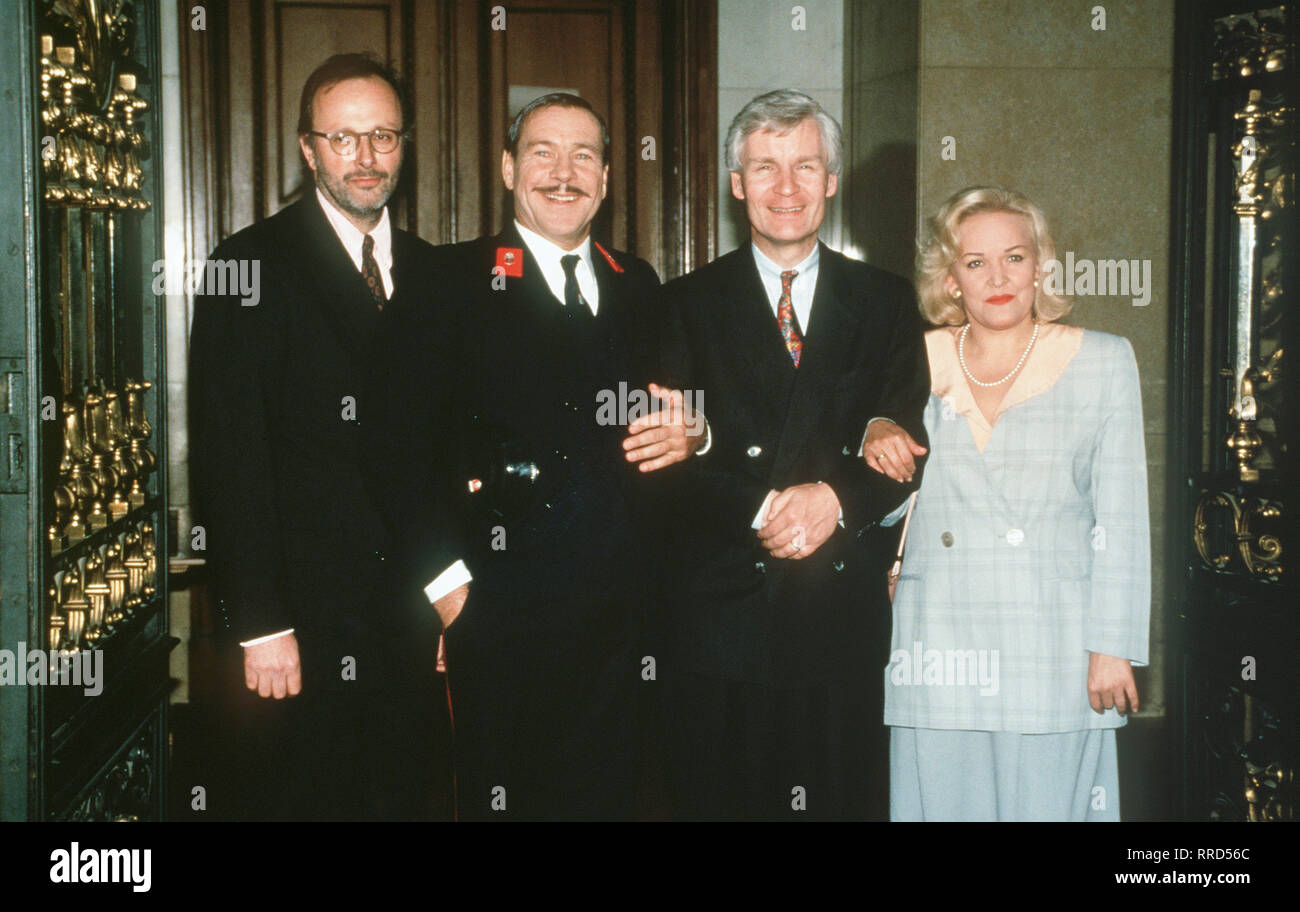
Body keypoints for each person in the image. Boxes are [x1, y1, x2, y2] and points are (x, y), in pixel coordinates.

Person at [376, 93, 703, 820]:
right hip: (496, 612)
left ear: (609, 177)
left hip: (619, 624)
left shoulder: (638, 284)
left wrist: (695, 434)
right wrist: (446, 589)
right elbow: (395, 447)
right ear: (506, 168)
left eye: (584, 155)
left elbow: (684, 410)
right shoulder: (448, 281)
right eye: (543, 153)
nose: (565, 173)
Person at [656, 89, 930, 820]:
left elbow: (906, 439)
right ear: (736, 183)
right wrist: (767, 508)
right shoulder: (681, 303)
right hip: (718, 619)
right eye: (765, 167)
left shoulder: (886, 300)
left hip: (837, 616)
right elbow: (656, 455)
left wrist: (833, 499)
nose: (786, 188)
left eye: (805, 166)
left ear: (831, 181)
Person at [188, 54, 449, 819]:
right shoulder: (249, 265)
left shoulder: (438, 274)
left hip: (411, 613)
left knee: (404, 799)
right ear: (308, 149)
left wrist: (450, 591)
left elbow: (446, 453)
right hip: (301, 622)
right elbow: (228, 453)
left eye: (384, 137)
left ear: (405, 146)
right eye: (343, 139)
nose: (366, 159)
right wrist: (261, 621)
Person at [864, 185, 1150, 821]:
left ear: (1040, 265)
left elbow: (1123, 518)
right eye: (975, 262)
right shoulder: (913, 359)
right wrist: (872, 443)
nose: (997, 277)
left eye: (1014, 258)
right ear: (949, 277)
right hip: (938, 639)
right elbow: (877, 504)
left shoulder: (1100, 359)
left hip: (1051, 641)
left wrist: (1114, 645)